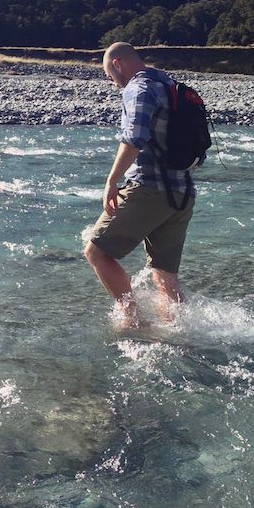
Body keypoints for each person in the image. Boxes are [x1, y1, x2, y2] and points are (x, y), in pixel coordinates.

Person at [83, 42, 196, 328]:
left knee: (96, 252)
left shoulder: (139, 88)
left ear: (118, 63)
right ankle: (180, 332)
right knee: (164, 274)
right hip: (182, 193)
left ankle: (132, 321)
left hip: (149, 189)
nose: (111, 81)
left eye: (109, 74)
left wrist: (111, 181)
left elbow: (135, 137)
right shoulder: (170, 85)